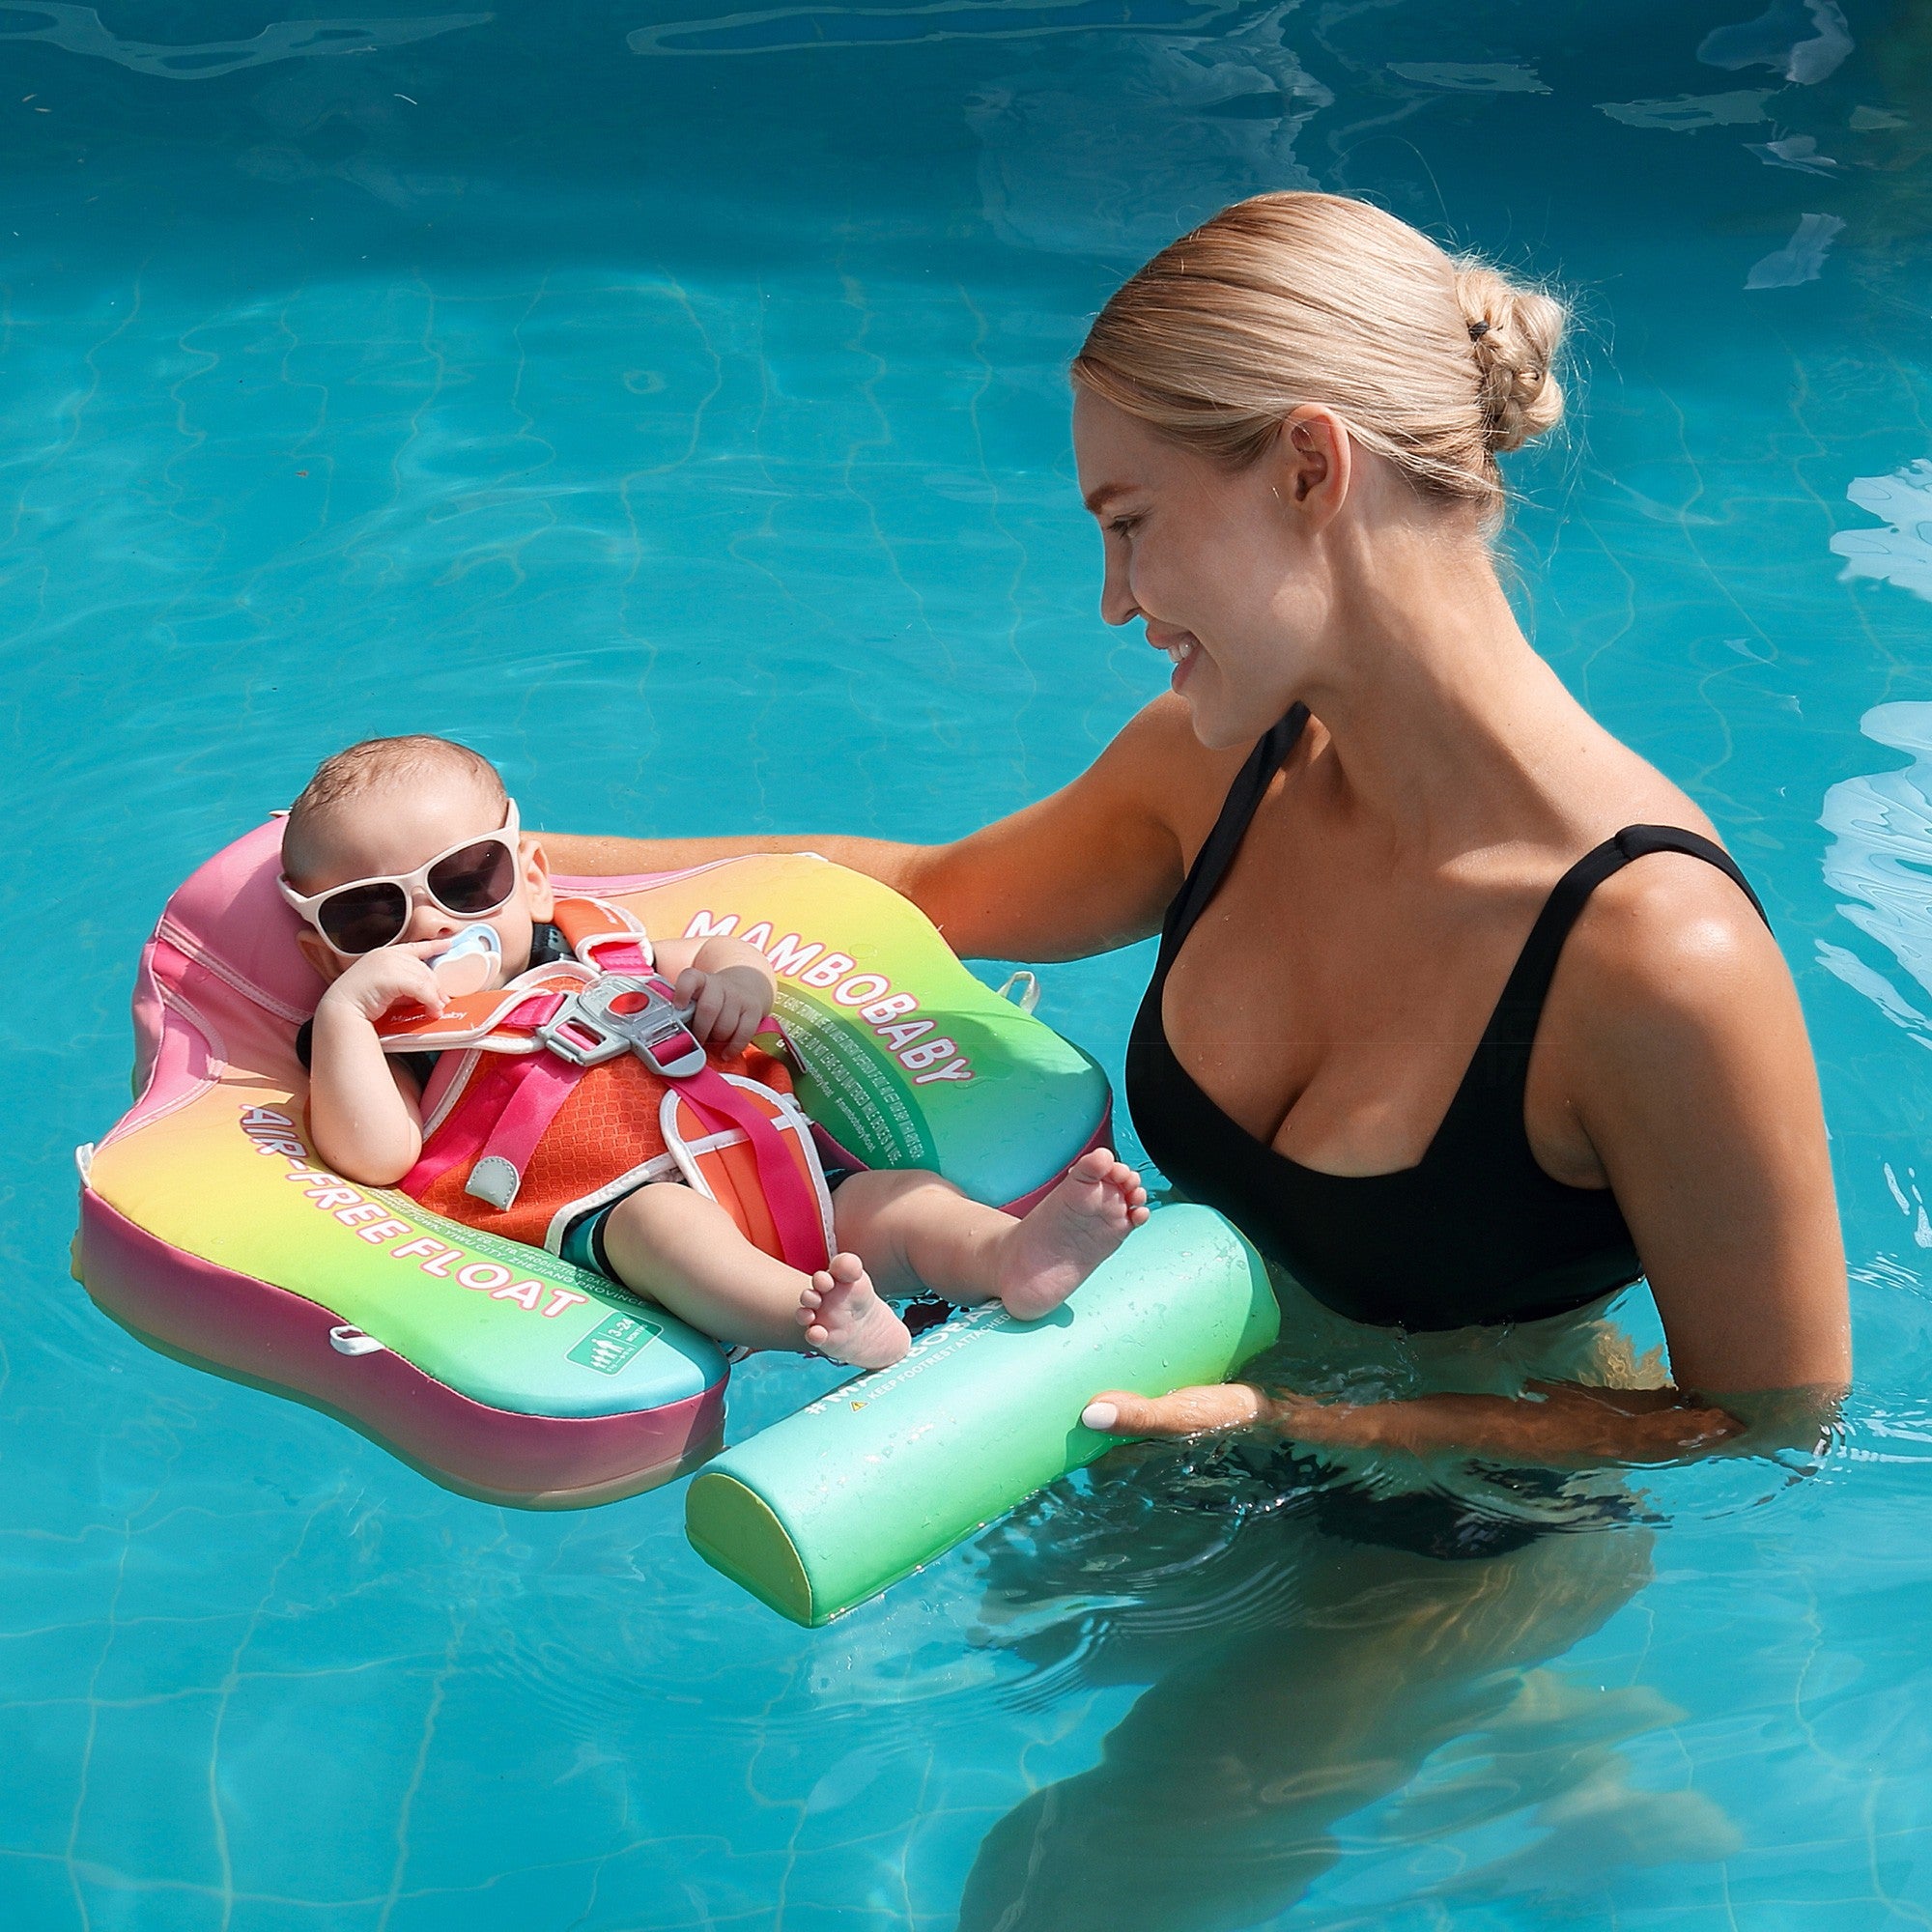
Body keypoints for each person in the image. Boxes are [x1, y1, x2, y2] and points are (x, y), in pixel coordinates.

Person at [547, 191, 1850, 1462]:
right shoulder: (1220, 771)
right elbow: (901, 892)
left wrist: (1306, 1425)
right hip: (1131, 1437)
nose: (1115, 601)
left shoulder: (1657, 956)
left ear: (1308, 468)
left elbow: (1771, 1420)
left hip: (1453, 1559)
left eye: (1131, 524)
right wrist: (490, 872)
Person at [280, 734, 1150, 1372]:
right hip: (606, 1213)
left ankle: (1011, 1257)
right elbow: (376, 1154)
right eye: (370, 916)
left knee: (902, 1205)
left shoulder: (599, 945)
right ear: (326, 948)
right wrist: (349, 1013)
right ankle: (811, 1319)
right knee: (668, 1226)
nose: (434, 924)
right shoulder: (387, 1029)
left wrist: (740, 983)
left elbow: (710, 956)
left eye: (467, 881)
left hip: (780, 1171)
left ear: (533, 876)